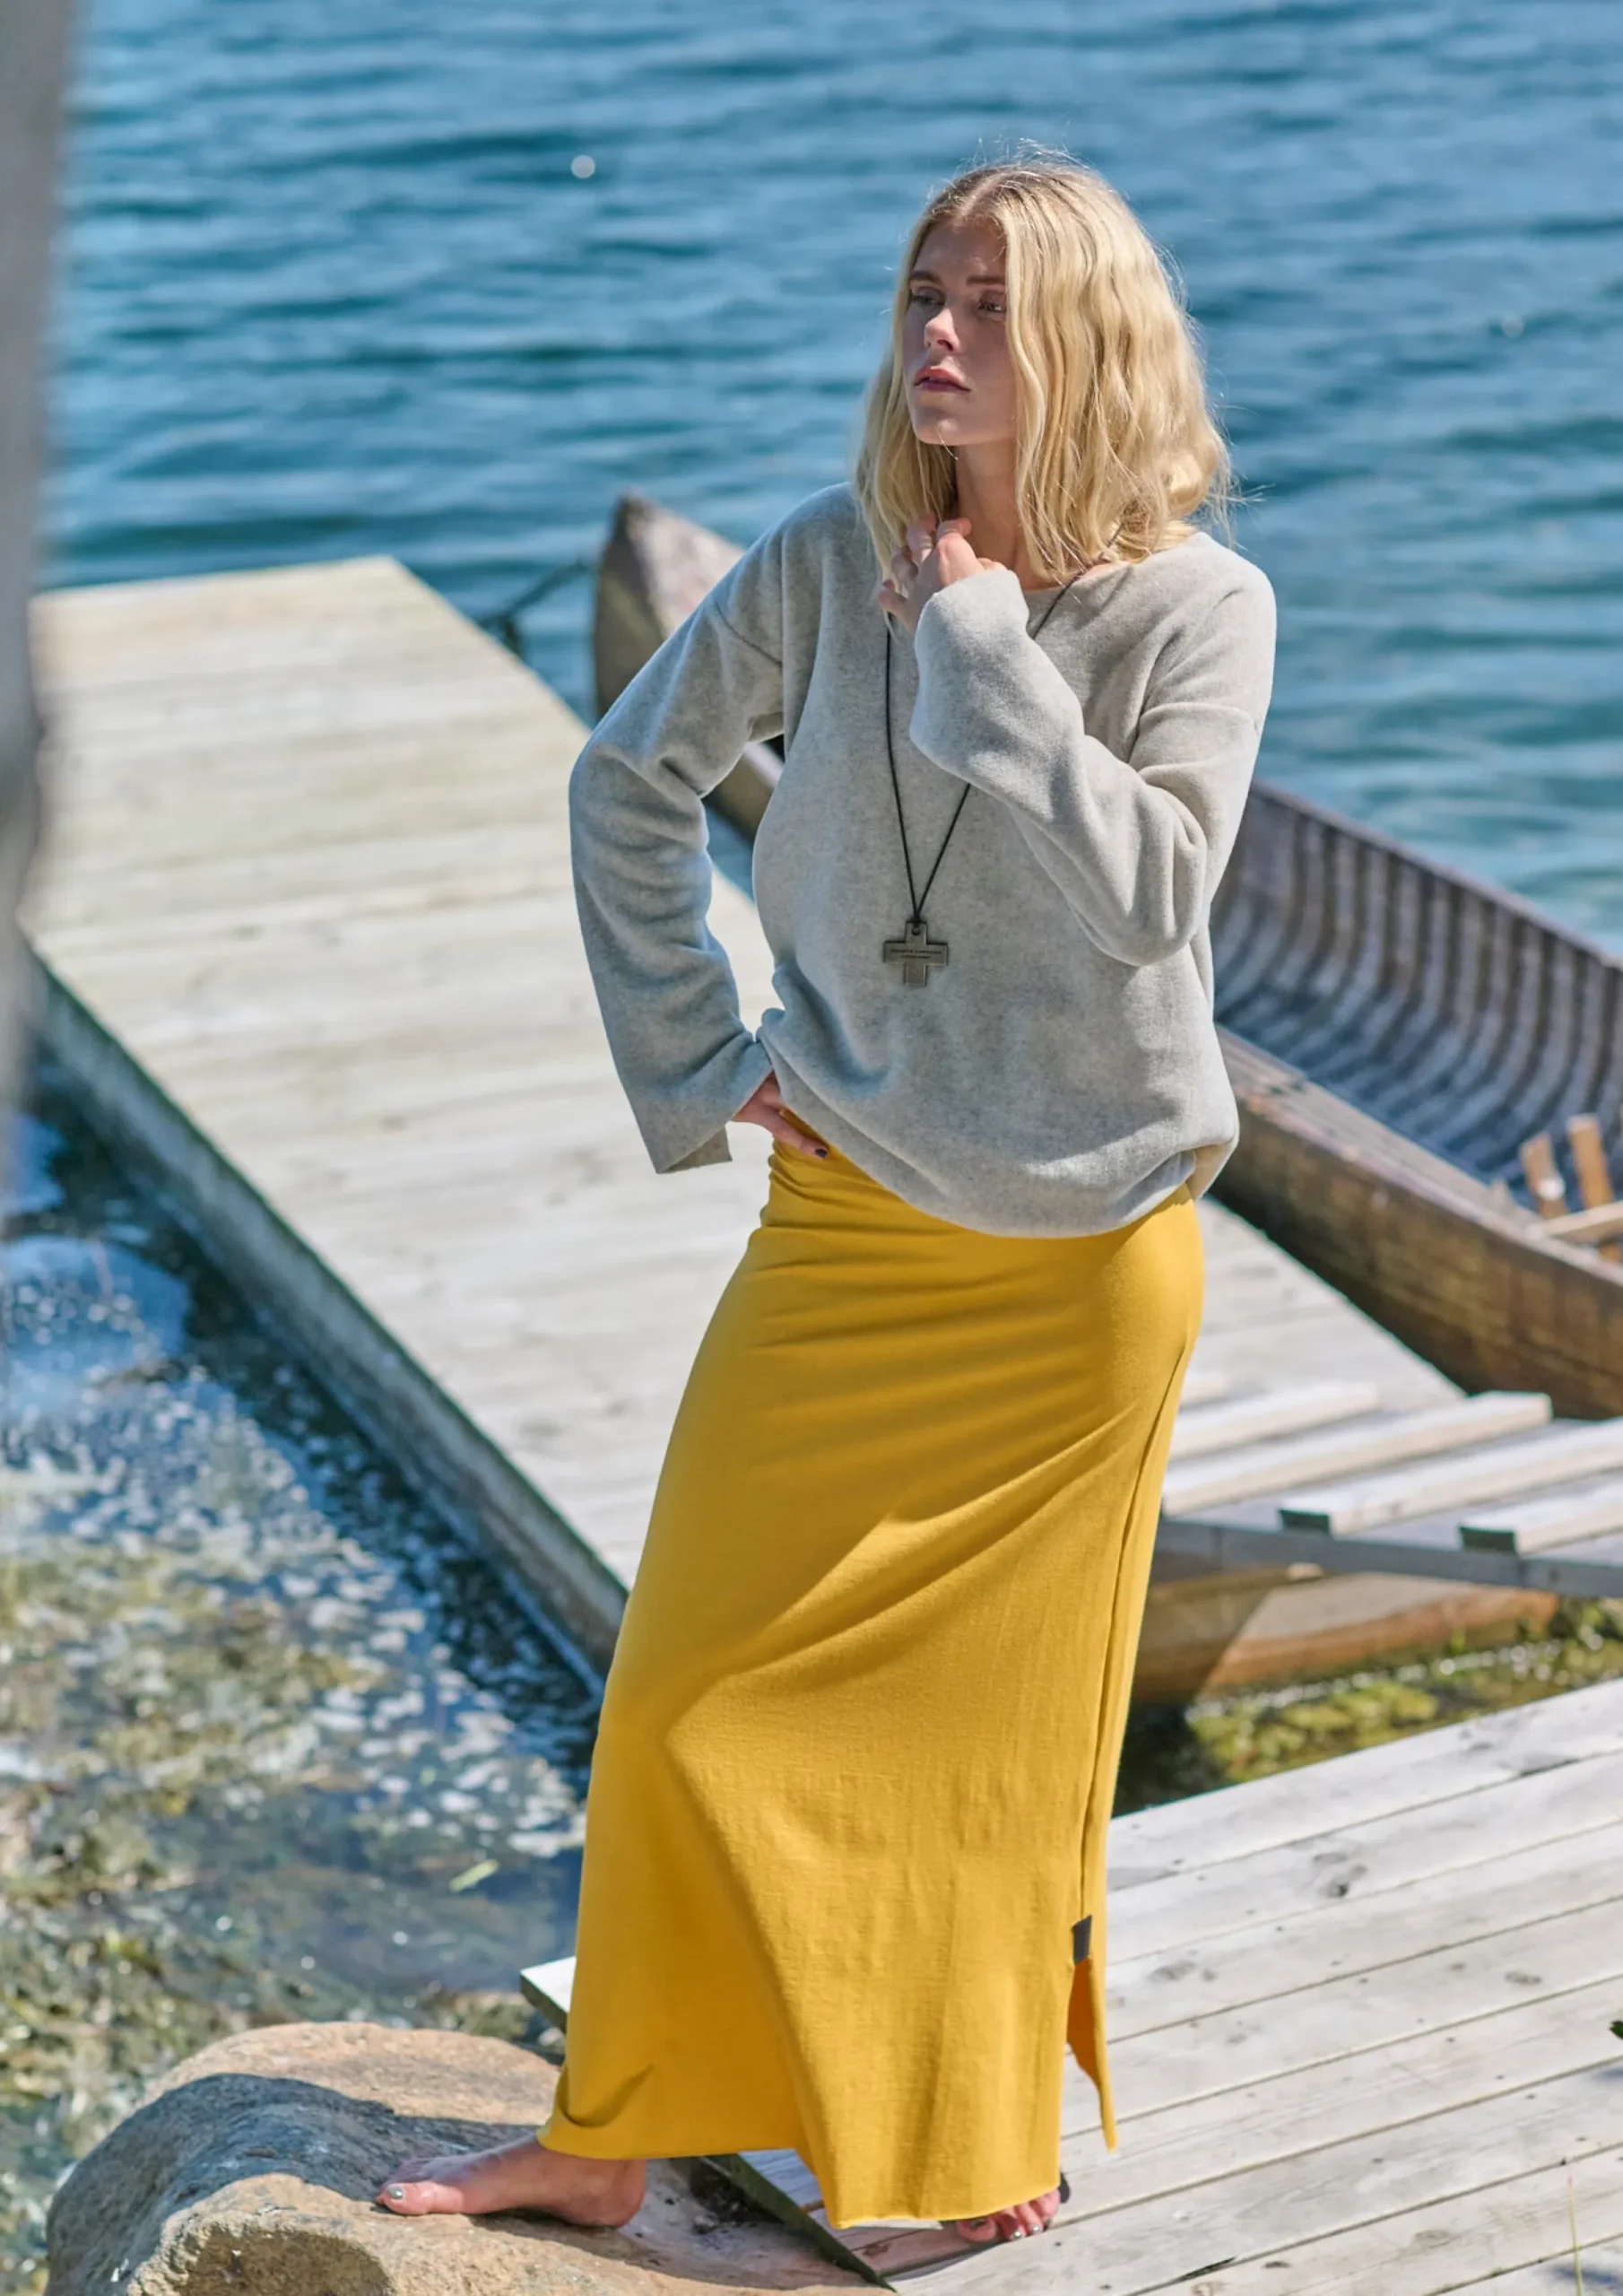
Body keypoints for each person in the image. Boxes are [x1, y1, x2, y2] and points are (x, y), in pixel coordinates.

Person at [379, 152, 1274, 2248]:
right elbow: (624, 782)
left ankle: (967, 2134)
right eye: (918, 293)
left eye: (986, 301)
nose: (934, 334)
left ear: (1088, 339)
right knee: (680, 1691)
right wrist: (700, 1053)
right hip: (849, 1225)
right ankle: (607, 2127)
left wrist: (980, 645)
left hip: (1079, 1270)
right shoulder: (813, 558)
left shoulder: (1196, 608)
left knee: (986, 1746)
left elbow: (1155, 889)